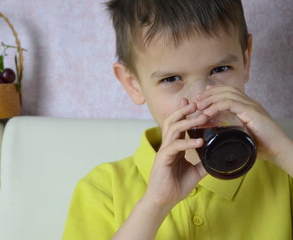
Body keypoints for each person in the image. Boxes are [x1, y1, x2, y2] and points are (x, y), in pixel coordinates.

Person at [63, 0, 293, 239]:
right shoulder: (103, 189)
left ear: (245, 61)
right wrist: (154, 206)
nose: (200, 98)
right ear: (133, 84)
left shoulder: (284, 173)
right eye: (171, 79)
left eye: (220, 69)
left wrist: (283, 153)